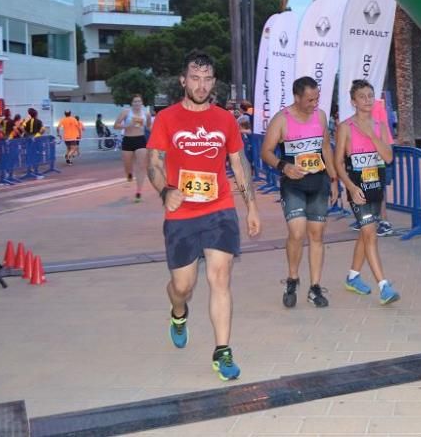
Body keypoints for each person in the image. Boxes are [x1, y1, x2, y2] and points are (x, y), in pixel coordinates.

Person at [146, 50, 261, 382]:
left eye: (207, 78)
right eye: (194, 78)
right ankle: (178, 313)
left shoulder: (225, 120)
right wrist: (165, 191)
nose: (201, 85)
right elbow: (154, 162)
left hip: (219, 208)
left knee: (220, 277)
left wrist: (251, 206)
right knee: (183, 285)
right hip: (181, 214)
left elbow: (239, 163)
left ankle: (222, 351)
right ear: (183, 80)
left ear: (214, 82)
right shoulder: (167, 118)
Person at [261, 76, 340, 309]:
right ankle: (292, 278)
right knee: (297, 233)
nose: (314, 103)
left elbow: (326, 148)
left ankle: (315, 288)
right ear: (297, 97)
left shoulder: (321, 116)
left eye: (316, 98)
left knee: (317, 234)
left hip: (319, 182)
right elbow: (266, 151)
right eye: (309, 99)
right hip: (293, 183)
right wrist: (283, 166)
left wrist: (334, 179)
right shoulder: (281, 120)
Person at [334, 79, 401, 305]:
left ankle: (353, 276)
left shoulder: (380, 126)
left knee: (366, 233)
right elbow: (338, 164)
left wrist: (372, 135)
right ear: (353, 101)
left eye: (370, 96)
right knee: (370, 233)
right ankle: (384, 286)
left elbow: (389, 158)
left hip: (376, 187)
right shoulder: (345, 128)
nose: (367, 101)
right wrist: (351, 188)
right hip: (357, 190)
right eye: (362, 97)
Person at [115, 95, 153, 202]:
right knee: (127, 165)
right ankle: (129, 174)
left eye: (139, 101)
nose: (137, 103)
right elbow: (116, 125)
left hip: (140, 140)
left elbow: (149, 126)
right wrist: (127, 126)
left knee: (141, 166)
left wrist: (156, 132)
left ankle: (138, 192)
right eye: (135, 101)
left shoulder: (146, 114)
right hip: (128, 140)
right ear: (132, 103)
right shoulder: (126, 112)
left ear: (142, 103)